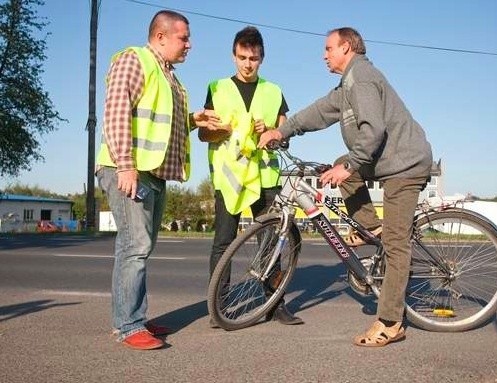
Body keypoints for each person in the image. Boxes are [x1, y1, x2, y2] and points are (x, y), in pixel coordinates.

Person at [258, 27, 433, 347]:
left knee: (396, 243)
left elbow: (373, 130)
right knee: (339, 163)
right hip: (390, 161)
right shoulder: (349, 83)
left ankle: (391, 322)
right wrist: (282, 132)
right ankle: (371, 229)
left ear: (347, 48)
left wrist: (350, 165)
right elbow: (320, 111)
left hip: (404, 166)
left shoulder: (362, 78)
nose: (324, 55)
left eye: (328, 49)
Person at [96, 10, 210, 350]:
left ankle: (134, 317)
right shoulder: (135, 60)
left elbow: (160, 124)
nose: (189, 44)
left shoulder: (169, 76)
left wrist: (194, 119)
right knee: (135, 247)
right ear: (160, 36)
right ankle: (128, 325)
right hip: (129, 169)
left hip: (153, 172)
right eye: (184, 37)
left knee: (140, 248)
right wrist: (126, 165)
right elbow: (116, 112)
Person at [198, 26, 303, 326]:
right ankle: (219, 306)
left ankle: (274, 303)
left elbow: (285, 138)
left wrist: (271, 135)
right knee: (224, 241)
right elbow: (204, 134)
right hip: (229, 177)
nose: (247, 64)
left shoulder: (274, 92)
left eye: (253, 58)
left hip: (264, 176)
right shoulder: (217, 88)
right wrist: (226, 129)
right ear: (233, 56)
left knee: (271, 240)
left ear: (262, 58)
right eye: (242, 57)